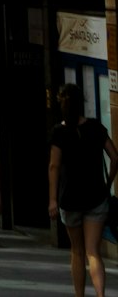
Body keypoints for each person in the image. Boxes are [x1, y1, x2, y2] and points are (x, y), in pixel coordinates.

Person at [49, 81, 118, 297]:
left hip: (69, 200)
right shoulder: (96, 127)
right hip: (96, 197)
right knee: (93, 252)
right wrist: (108, 183)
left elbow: (54, 166)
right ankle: (100, 295)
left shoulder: (59, 132)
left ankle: (79, 296)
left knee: (77, 251)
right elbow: (115, 157)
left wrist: (52, 199)